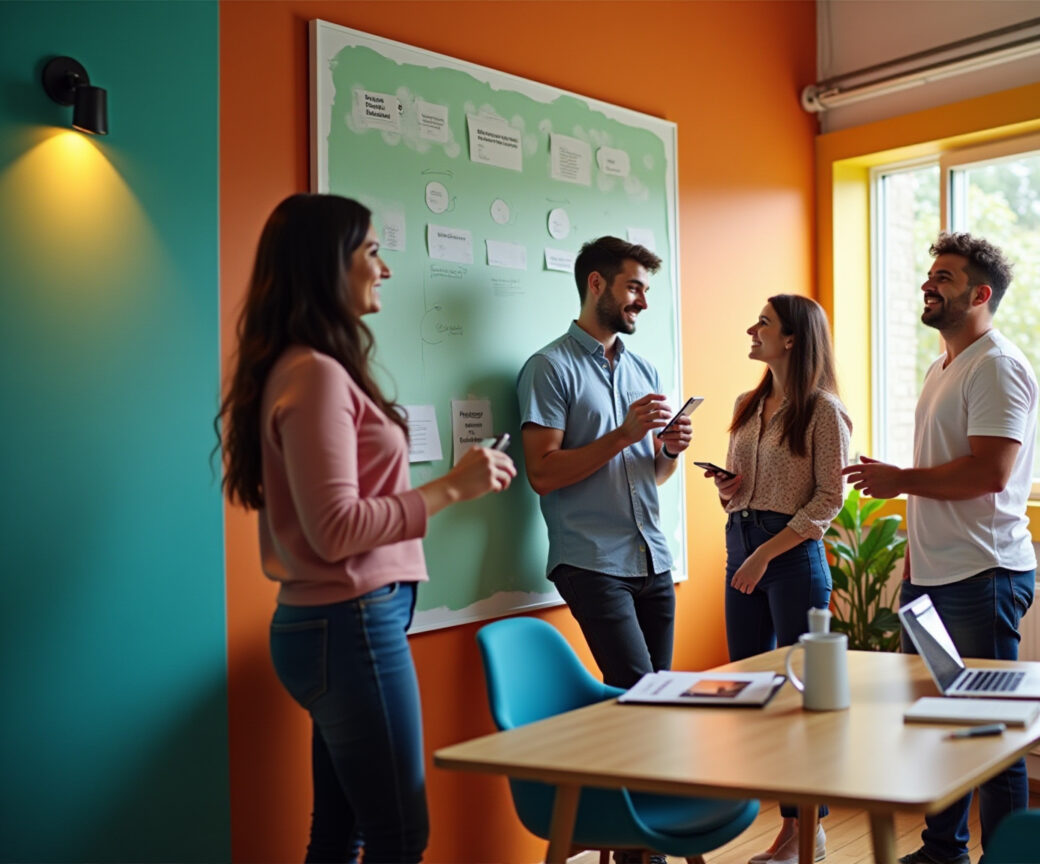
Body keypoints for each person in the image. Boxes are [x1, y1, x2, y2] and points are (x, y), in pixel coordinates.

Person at [218, 193, 517, 863]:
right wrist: (451, 487)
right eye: (372, 252)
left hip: (331, 625)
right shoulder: (317, 375)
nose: (384, 269)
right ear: (328, 266)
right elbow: (336, 528)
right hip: (349, 624)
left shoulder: (304, 368)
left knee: (342, 831)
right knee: (398, 835)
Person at [843, 232, 1037, 864]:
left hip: (984, 574)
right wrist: (911, 552)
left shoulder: (997, 366)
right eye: (930, 275)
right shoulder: (944, 365)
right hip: (933, 575)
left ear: (980, 295)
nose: (929, 284)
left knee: (993, 733)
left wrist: (899, 481)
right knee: (937, 725)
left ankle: (1006, 856)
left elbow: (989, 473)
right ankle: (942, 851)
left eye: (945, 278)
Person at [707, 294, 850, 864]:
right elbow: (739, 488)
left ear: (791, 338)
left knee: (798, 703)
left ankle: (803, 830)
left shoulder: (823, 410)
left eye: (762, 322)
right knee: (752, 693)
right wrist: (728, 489)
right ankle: (790, 825)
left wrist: (766, 552)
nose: (751, 328)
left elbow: (829, 497)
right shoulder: (747, 403)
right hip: (741, 545)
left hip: (789, 557)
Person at [518, 236, 689, 689]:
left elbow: (654, 474)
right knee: (639, 692)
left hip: (653, 560)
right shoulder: (549, 368)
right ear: (597, 284)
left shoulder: (644, 371)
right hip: (591, 562)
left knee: (662, 695)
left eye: (646, 291)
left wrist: (668, 449)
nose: (644, 302)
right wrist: (622, 437)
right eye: (634, 288)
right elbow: (541, 474)